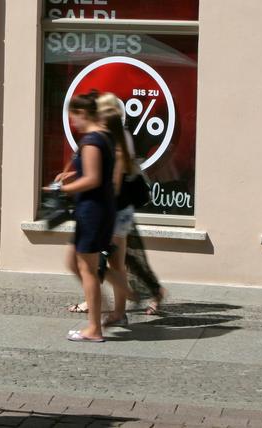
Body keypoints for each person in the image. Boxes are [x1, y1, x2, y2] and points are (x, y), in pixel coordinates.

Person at [66, 93, 166, 317]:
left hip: (114, 209)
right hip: (117, 209)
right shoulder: (109, 137)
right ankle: (127, 302)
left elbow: (112, 181)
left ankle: (131, 297)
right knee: (120, 259)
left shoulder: (113, 139)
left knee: (107, 260)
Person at [52, 90, 116, 342]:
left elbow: (93, 178)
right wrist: (70, 176)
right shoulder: (103, 137)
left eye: (74, 116)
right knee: (76, 263)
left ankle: (94, 329)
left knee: (87, 269)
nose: (72, 122)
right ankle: (97, 311)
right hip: (96, 209)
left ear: (83, 114)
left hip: (93, 210)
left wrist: (63, 189)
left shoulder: (91, 141)